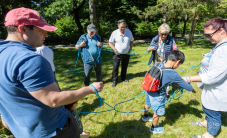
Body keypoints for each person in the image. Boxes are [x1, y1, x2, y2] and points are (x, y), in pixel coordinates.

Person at [0, 7, 104, 138]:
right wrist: (90, 89)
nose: (46, 34)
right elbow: (53, 99)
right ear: (23, 29)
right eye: (41, 30)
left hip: (22, 131)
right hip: (53, 131)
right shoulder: (29, 60)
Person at [183, 18, 227, 138]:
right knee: (207, 107)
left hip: (220, 90)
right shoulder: (224, 45)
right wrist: (209, 56)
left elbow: (215, 76)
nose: (207, 38)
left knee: (212, 112)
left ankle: (209, 134)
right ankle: (206, 122)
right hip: (214, 88)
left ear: (221, 32)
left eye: (209, 35)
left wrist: (189, 78)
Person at [142, 50, 193, 134]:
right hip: (158, 95)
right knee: (157, 112)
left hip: (149, 89)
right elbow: (189, 88)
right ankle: (153, 128)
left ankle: (145, 116)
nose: (178, 66)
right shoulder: (173, 74)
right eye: (179, 65)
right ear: (177, 62)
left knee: (147, 103)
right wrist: (188, 80)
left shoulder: (157, 64)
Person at [147, 23, 178, 96]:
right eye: (162, 34)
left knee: (165, 78)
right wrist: (149, 49)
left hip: (167, 63)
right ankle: (156, 90)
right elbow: (148, 48)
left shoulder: (171, 39)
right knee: (157, 77)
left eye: (166, 34)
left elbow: (175, 49)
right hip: (156, 62)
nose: (164, 36)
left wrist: (175, 57)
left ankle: (165, 94)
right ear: (159, 32)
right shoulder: (155, 39)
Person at [108, 19, 134, 87]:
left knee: (124, 67)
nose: (123, 29)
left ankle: (123, 77)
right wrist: (115, 49)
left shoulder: (128, 32)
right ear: (118, 26)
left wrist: (130, 49)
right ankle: (114, 80)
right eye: (121, 27)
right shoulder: (114, 33)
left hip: (126, 54)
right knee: (115, 67)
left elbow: (131, 41)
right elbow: (110, 43)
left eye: (124, 27)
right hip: (117, 54)